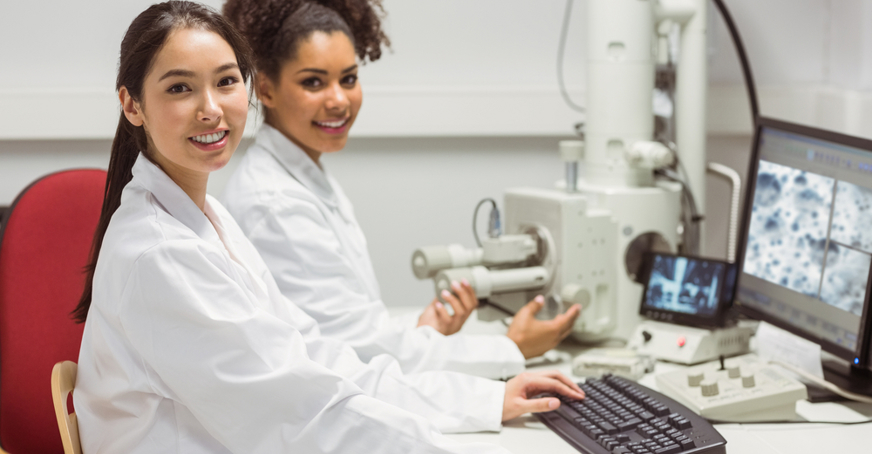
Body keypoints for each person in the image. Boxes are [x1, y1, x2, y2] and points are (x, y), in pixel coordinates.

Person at [71, 2, 584, 453]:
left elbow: (313, 354)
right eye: (180, 87)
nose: (211, 108)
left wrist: (484, 400)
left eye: (226, 81)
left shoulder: (206, 218)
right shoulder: (161, 253)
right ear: (131, 104)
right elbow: (296, 413)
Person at [221, 0, 582, 380]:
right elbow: (355, 349)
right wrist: (511, 348)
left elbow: (352, 325)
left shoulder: (300, 177)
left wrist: (423, 329)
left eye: (348, 78)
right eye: (313, 82)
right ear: (266, 89)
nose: (339, 100)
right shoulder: (275, 203)